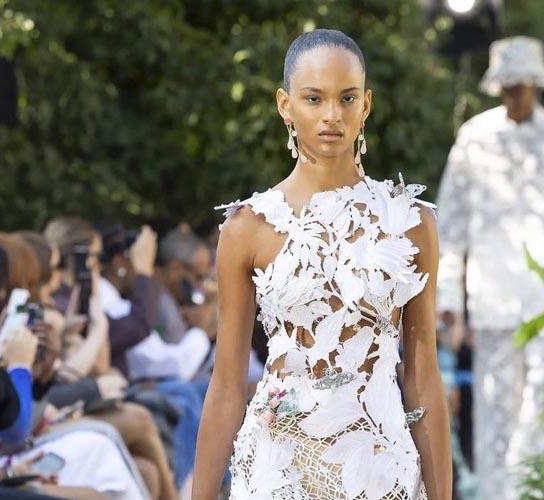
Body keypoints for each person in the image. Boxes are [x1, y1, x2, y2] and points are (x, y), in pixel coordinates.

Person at [193, 29, 452, 500]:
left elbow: (423, 377)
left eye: (347, 98)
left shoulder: (410, 222)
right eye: (314, 98)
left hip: (379, 469)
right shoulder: (248, 227)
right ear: (285, 105)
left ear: (366, 105)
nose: (332, 114)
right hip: (276, 468)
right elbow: (227, 385)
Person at [435, 36, 544, 499]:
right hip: (493, 305)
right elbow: (451, 226)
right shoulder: (474, 138)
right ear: (496, 86)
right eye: (507, 85)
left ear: (538, 84)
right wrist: (449, 299)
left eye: (522, 84)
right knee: (493, 423)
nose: (514, 93)